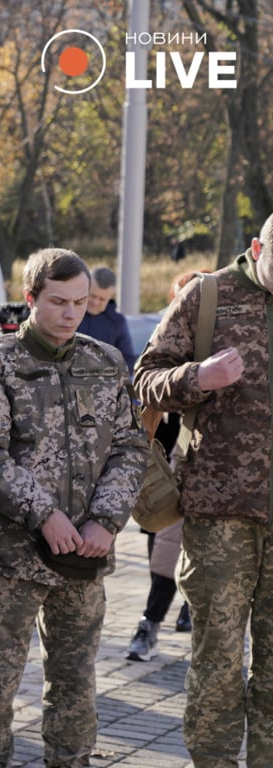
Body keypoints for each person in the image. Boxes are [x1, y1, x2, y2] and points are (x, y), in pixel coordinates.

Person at [0, 248, 148, 768]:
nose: (71, 313)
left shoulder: (105, 362)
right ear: (30, 300)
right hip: (12, 558)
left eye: (80, 302)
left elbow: (131, 448)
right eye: (58, 302)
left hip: (83, 556)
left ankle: (71, 759)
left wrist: (106, 521)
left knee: (74, 678)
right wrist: (43, 513)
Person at [135, 214, 273, 767]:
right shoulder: (207, 295)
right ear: (258, 246)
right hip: (220, 517)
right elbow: (144, 376)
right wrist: (197, 378)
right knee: (217, 658)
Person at [125, 270, 200, 664]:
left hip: (200, 473)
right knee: (163, 553)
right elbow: (144, 410)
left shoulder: (213, 351)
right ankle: (150, 625)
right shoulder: (161, 351)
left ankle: (172, 616)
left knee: (185, 554)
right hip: (162, 475)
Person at [77, 265, 135, 372]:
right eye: (92, 296)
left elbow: (128, 361)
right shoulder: (70, 313)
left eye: (102, 299)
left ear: (110, 298)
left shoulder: (117, 322)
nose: (95, 302)